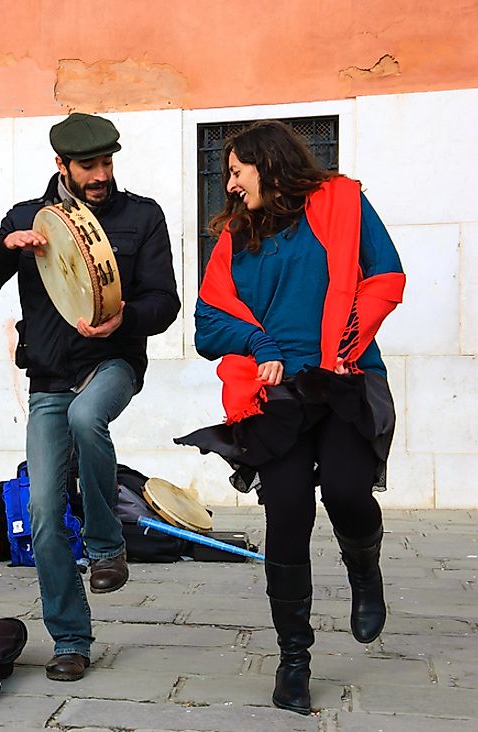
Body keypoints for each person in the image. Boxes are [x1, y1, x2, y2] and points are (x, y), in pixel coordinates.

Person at [175, 120, 405, 714]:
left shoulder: (345, 202)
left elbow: (385, 276)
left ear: (267, 164)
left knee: (350, 494)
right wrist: (260, 344)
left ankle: (364, 567)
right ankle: (293, 660)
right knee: (288, 513)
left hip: (344, 379)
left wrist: (348, 342)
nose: (228, 185)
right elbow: (209, 320)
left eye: (235, 171)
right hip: (275, 397)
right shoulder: (234, 238)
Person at [0, 113, 180, 681]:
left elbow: (167, 303)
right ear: (62, 166)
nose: (101, 175)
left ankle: (107, 548)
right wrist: (5, 247)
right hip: (50, 379)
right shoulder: (28, 219)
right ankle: (71, 640)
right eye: (89, 166)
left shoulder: (142, 217)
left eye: (107, 163)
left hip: (114, 363)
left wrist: (124, 316)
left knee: (88, 417)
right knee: (43, 514)